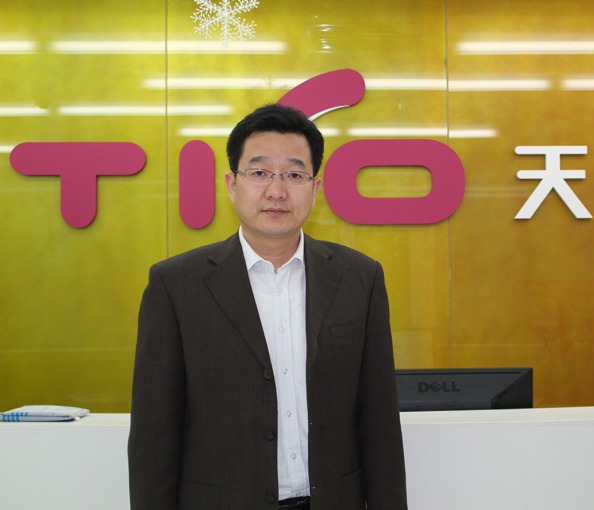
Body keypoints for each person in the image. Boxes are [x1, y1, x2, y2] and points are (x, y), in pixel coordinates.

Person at [128, 104, 407, 510]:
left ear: (315, 188)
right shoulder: (175, 285)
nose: (276, 191)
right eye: (259, 172)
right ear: (232, 184)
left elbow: (380, 424)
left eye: (294, 175)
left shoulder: (360, 279)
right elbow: (153, 436)